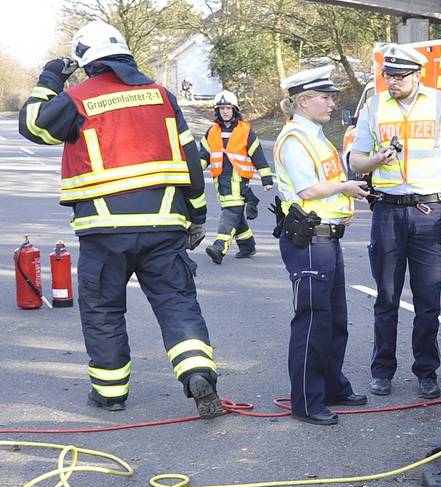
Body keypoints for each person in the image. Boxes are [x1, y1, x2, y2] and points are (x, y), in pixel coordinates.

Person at [17, 20, 223, 418]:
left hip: (104, 230)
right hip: (164, 225)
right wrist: (196, 215)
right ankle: (197, 373)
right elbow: (191, 160)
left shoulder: (78, 98)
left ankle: (110, 394)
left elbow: (33, 125)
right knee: (177, 303)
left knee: (104, 311)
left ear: (86, 61)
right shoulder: (161, 96)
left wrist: (50, 78)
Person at [349, 44, 441, 400]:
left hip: (428, 212)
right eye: (388, 76)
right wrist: (376, 159)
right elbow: (356, 161)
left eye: (399, 76)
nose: (393, 82)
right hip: (387, 212)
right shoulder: (374, 106)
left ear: (418, 75)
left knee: (428, 300)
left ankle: (426, 372)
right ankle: (382, 371)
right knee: (386, 297)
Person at [272, 66, 370, 425]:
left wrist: (343, 202)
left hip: (326, 237)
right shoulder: (295, 139)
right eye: (325, 97)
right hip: (310, 240)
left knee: (334, 319)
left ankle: (332, 386)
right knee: (313, 321)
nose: (332, 103)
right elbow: (308, 189)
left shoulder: (315, 136)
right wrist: (346, 188)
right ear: (303, 101)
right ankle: (307, 401)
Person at [199, 90, 274, 263]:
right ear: (217, 111)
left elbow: (258, 156)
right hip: (220, 182)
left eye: (228, 108)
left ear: (235, 110)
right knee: (235, 214)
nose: (225, 111)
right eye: (221, 108)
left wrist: (266, 179)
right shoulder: (211, 132)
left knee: (231, 212)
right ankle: (248, 246)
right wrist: (193, 172)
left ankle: (220, 246)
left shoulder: (245, 131)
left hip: (239, 182)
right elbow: (203, 156)